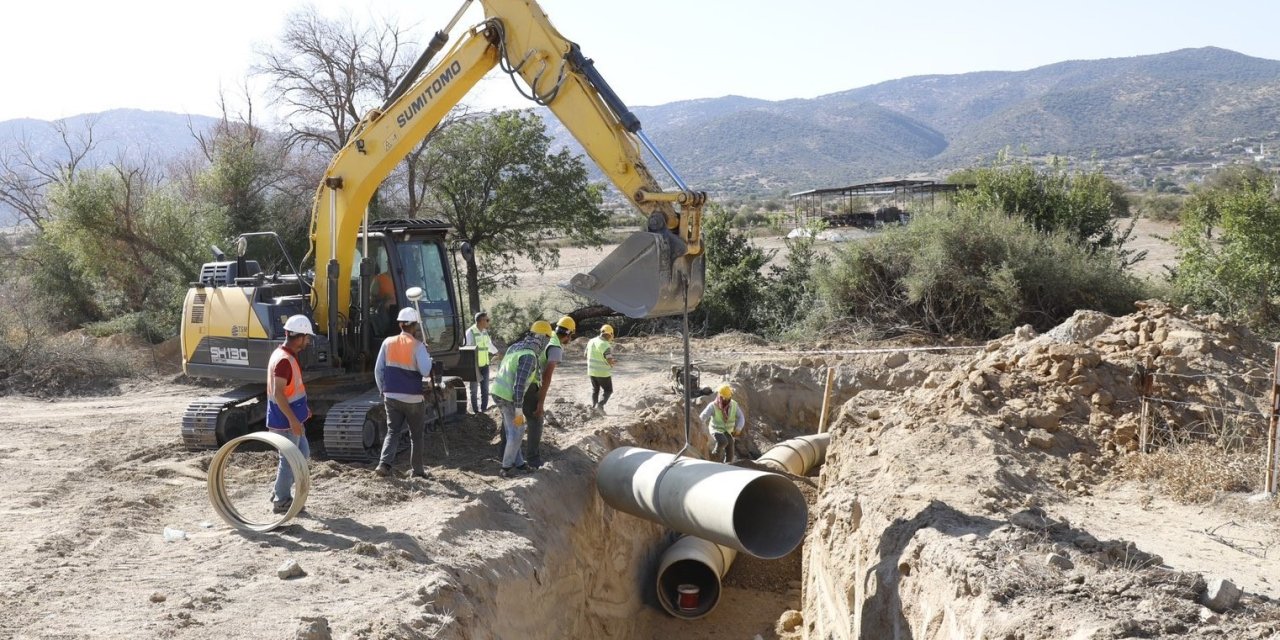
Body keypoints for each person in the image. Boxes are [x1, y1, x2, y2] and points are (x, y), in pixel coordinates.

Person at [373, 307, 434, 479]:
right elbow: (425, 371)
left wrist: (382, 390)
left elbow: (378, 370)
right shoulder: (418, 346)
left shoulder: (387, 342)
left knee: (393, 431)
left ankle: (384, 465)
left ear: (400, 324)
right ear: (414, 326)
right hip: (413, 398)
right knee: (416, 436)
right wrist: (428, 357)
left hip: (391, 396)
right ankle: (418, 471)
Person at [266, 315, 316, 514]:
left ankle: (279, 489)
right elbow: (278, 393)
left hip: (292, 418)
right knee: (289, 461)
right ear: (300, 337)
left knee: (303, 454)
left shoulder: (284, 355)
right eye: (307, 337)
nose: (309, 341)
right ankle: (281, 501)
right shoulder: (284, 361)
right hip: (285, 421)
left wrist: (302, 411)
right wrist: (293, 420)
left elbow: (291, 390)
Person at [491, 321, 553, 477]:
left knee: (511, 430)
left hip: (498, 392)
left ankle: (519, 464)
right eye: (547, 339)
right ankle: (506, 468)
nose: (546, 343)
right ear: (542, 338)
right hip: (508, 396)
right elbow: (519, 386)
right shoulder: (529, 356)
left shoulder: (515, 347)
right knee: (518, 431)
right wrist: (519, 409)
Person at [524, 315, 575, 468]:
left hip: (517, 379)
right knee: (536, 419)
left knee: (511, 416)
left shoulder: (548, 336)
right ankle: (533, 459)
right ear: (568, 334)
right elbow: (547, 376)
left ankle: (502, 453)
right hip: (530, 382)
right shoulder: (556, 348)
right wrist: (540, 402)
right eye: (571, 335)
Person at [701, 384, 745, 463]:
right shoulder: (713, 406)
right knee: (723, 441)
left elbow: (741, 417)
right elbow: (702, 417)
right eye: (725, 398)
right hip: (716, 429)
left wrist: (738, 428)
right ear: (720, 396)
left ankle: (727, 464)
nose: (727, 400)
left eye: (728, 398)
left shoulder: (734, 405)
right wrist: (702, 430)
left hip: (727, 431)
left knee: (730, 448)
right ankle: (714, 456)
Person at [464, 312, 498, 413]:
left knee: (485, 389)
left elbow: (489, 345)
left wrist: (497, 353)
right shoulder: (470, 332)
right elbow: (465, 349)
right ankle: (475, 411)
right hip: (474, 366)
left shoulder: (484, 332)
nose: (488, 322)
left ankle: (484, 410)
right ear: (481, 321)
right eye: (487, 320)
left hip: (485, 365)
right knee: (474, 390)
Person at [586, 324, 617, 414]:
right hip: (602, 372)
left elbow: (585, 354)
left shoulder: (591, 341)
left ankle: (594, 407)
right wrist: (613, 362)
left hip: (591, 371)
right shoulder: (605, 344)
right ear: (609, 334)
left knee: (595, 390)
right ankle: (600, 406)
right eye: (611, 335)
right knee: (608, 390)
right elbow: (609, 359)